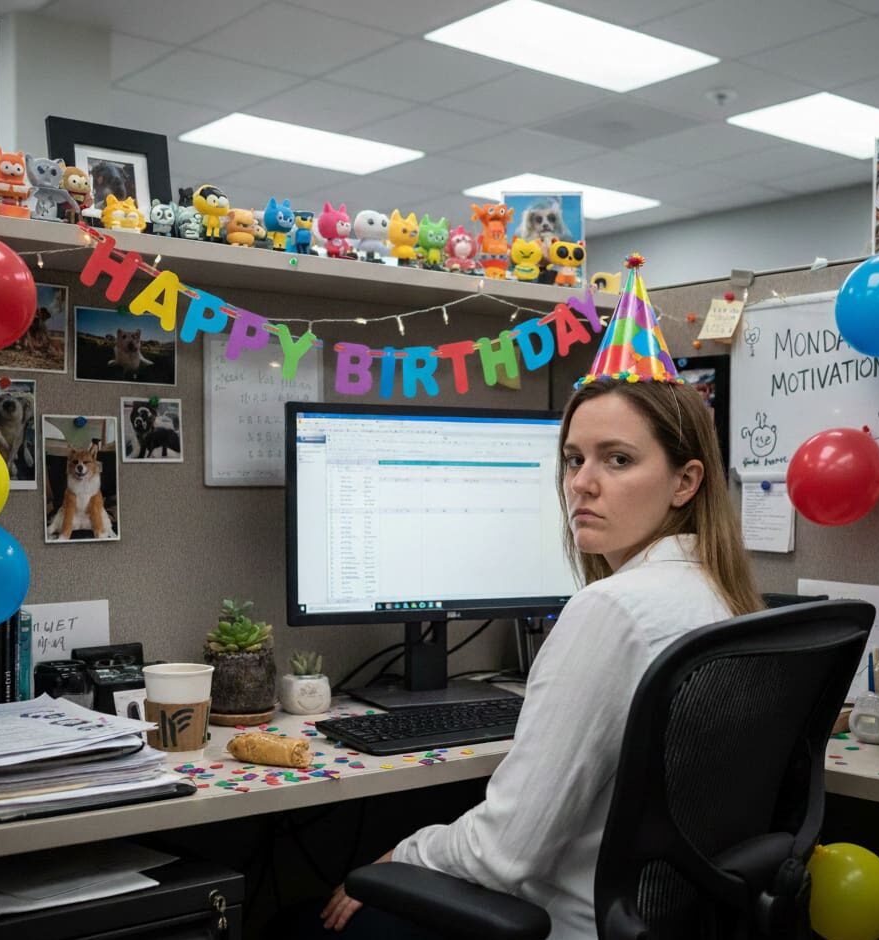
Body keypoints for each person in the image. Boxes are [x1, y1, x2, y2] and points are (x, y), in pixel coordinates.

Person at [312, 377, 761, 939]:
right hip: (665, 918)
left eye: (617, 460)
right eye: (573, 459)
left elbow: (504, 854)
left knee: (307, 920)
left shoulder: (613, 609)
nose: (581, 484)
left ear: (684, 481)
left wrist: (404, 852)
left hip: (567, 922)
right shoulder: (722, 597)